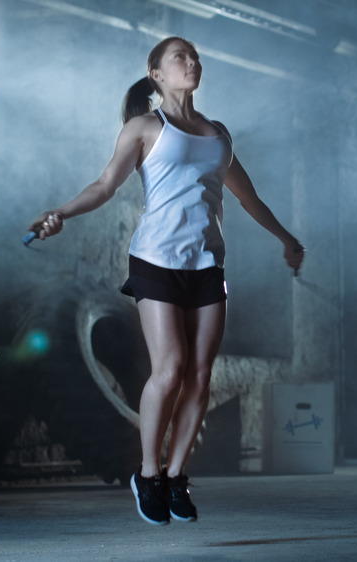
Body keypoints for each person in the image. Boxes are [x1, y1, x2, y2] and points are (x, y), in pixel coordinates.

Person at [27, 36, 304, 526]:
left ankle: (176, 475)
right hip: (155, 260)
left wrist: (287, 239)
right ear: (155, 73)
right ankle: (148, 472)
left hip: (207, 265)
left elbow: (249, 198)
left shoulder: (219, 135)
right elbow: (105, 185)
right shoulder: (144, 127)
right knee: (171, 368)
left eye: (195, 55)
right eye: (180, 56)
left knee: (201, 374)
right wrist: (61, 213)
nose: (192, 61)